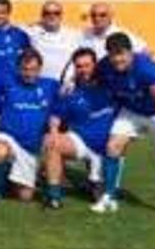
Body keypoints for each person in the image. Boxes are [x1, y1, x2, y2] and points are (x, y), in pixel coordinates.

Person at [91, 33, 155, 224]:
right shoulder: (104, 66)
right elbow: (93, 81)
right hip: (132, 111)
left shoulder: (147, 69)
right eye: (112, 54)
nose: (117, 59)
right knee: (112, 147)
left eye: (121, 54)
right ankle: (109, 197)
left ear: (130, 52)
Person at [0, 49, 59, 206]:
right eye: (25, 69)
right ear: (18, 69)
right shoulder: (7, 83)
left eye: (33, 69)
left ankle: (9, 178)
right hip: (8, 136)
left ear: (40, 69)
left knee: (25, 196)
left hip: (31, 147)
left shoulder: (51, 86)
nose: (29, 73)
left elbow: (64, 103)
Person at [43, 48, 115, 209]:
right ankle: (54, 196)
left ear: (95, 65)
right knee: (51, 142)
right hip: (80, 141)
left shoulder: (111, 84)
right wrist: (54, 132)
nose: (83, 70)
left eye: (87, 65)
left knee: (101, 199)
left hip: (108, 148)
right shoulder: (70, 90)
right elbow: (56, 116)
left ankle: (95, 182)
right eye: (79, 66)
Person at [25, 0, 80, 82]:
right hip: (41, 86)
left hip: (64, 85)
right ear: (42, 16)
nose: (52, 16)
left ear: (61, 16)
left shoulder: (74, 35)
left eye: (56, 13)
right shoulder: (32, 32)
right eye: (47, 13)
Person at [79, 2, 147, 60]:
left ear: (111, 16)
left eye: (102, 15)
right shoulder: (84, 35)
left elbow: (144, 53)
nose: (97, 18)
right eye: (93, 15)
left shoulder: (122, 35)